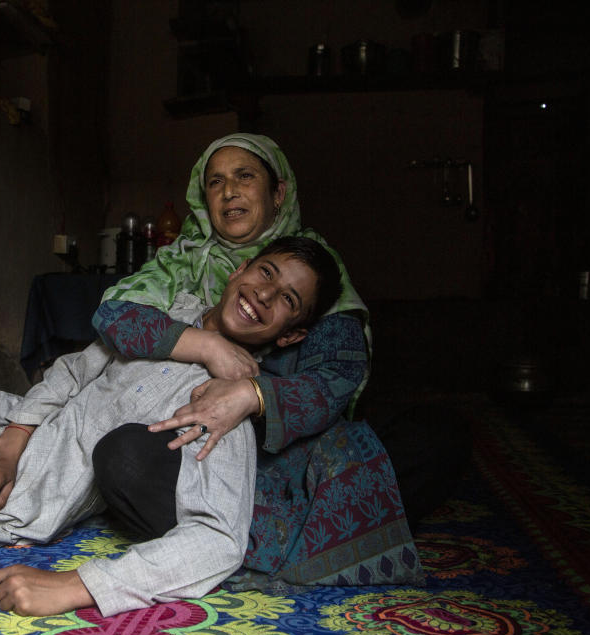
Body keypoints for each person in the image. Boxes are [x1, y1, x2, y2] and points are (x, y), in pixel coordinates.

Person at [0, 237, 365, 617]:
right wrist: (8, 439)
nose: (263, 294)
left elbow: (220, 541)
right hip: (9, 420)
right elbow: (73, 370)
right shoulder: (170, 316)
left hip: (29, 484)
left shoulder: (223, 397)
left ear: (290, 335)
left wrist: (80, 584)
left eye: (286, 300)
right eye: (265, 273)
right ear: (241, 269)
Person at [90, 132, 424, 594]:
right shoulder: (182, 262)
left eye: (244, 176)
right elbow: (113, 315)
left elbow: (336, 378)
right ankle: (239, 538)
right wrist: (206, 346)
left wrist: (253, 394)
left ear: (278, 192)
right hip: (198, 440)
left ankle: (243, 541)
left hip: (288, 450)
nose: (229, 193)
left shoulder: (314, 268)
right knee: (124, 457)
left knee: (431, 436)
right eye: (215, 182)